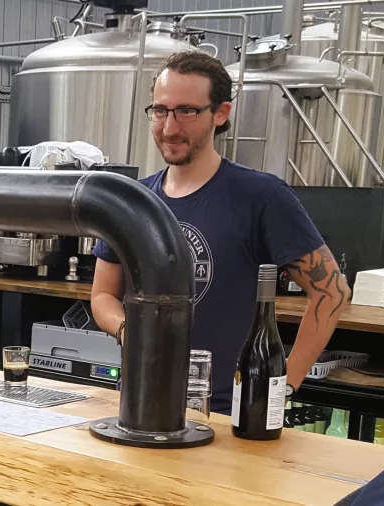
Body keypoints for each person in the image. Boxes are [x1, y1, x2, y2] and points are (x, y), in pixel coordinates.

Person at [91, 51, 351, 414]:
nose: (169, 127)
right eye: (161, 111)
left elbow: (332, 292)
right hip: (138, 401)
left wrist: (280, 388)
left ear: (221, 113)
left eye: (187, 111)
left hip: (227, 415)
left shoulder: (261, 197)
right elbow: (103, 294)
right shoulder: (132, 202)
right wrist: (125, 329)